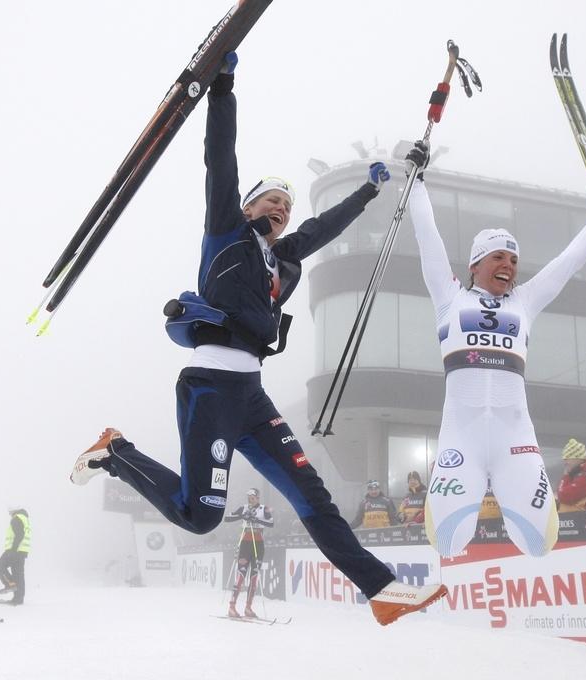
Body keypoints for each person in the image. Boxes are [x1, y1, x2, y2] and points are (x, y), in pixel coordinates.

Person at [69, 53, 446, 626]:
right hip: (211, 389)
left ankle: (383, 592)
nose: (282, 209)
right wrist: (223, 87)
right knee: (200, 516)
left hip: (252, 397)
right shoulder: (225, 235)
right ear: (248, 208)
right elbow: (220, 160)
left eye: (287, 206)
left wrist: (367, 195)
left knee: (310, 497)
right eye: (271, 200)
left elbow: (321, 229)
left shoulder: (283, 260)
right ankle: (115, 451)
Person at [403, 141, 586, 559]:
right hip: (461, 440)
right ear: (475, 263)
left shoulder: (525, 301)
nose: (509, 264)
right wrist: (416, 181)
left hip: (516, 441)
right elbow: (427, 237)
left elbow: (567, 263)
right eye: (498, 256)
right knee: (449, 543)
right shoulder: (450, 298)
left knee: (539, 543)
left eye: (514, 258)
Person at [223, 488, 272, 618]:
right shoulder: (243, 508)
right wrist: (242, 516)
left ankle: (248, 608)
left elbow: (271, 523)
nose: (250, 499)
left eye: (253, 497)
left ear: (258, 497)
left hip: (258, 543)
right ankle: (232, 607)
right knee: (241, 574)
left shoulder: (263, 508)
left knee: (254, 577)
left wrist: (256, 520)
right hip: (245, 544)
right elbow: (227, 518)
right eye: (249, 497)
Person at [0, 505, 31, 605]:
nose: (10, 514)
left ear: (13, 511)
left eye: (10, 512)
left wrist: (13, 550)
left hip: (14, 550)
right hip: (22, 551)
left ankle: (10, 584)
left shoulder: (17, 519)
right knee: (18, 574)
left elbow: (20, 535)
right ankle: (18, 599)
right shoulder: (25, 518)